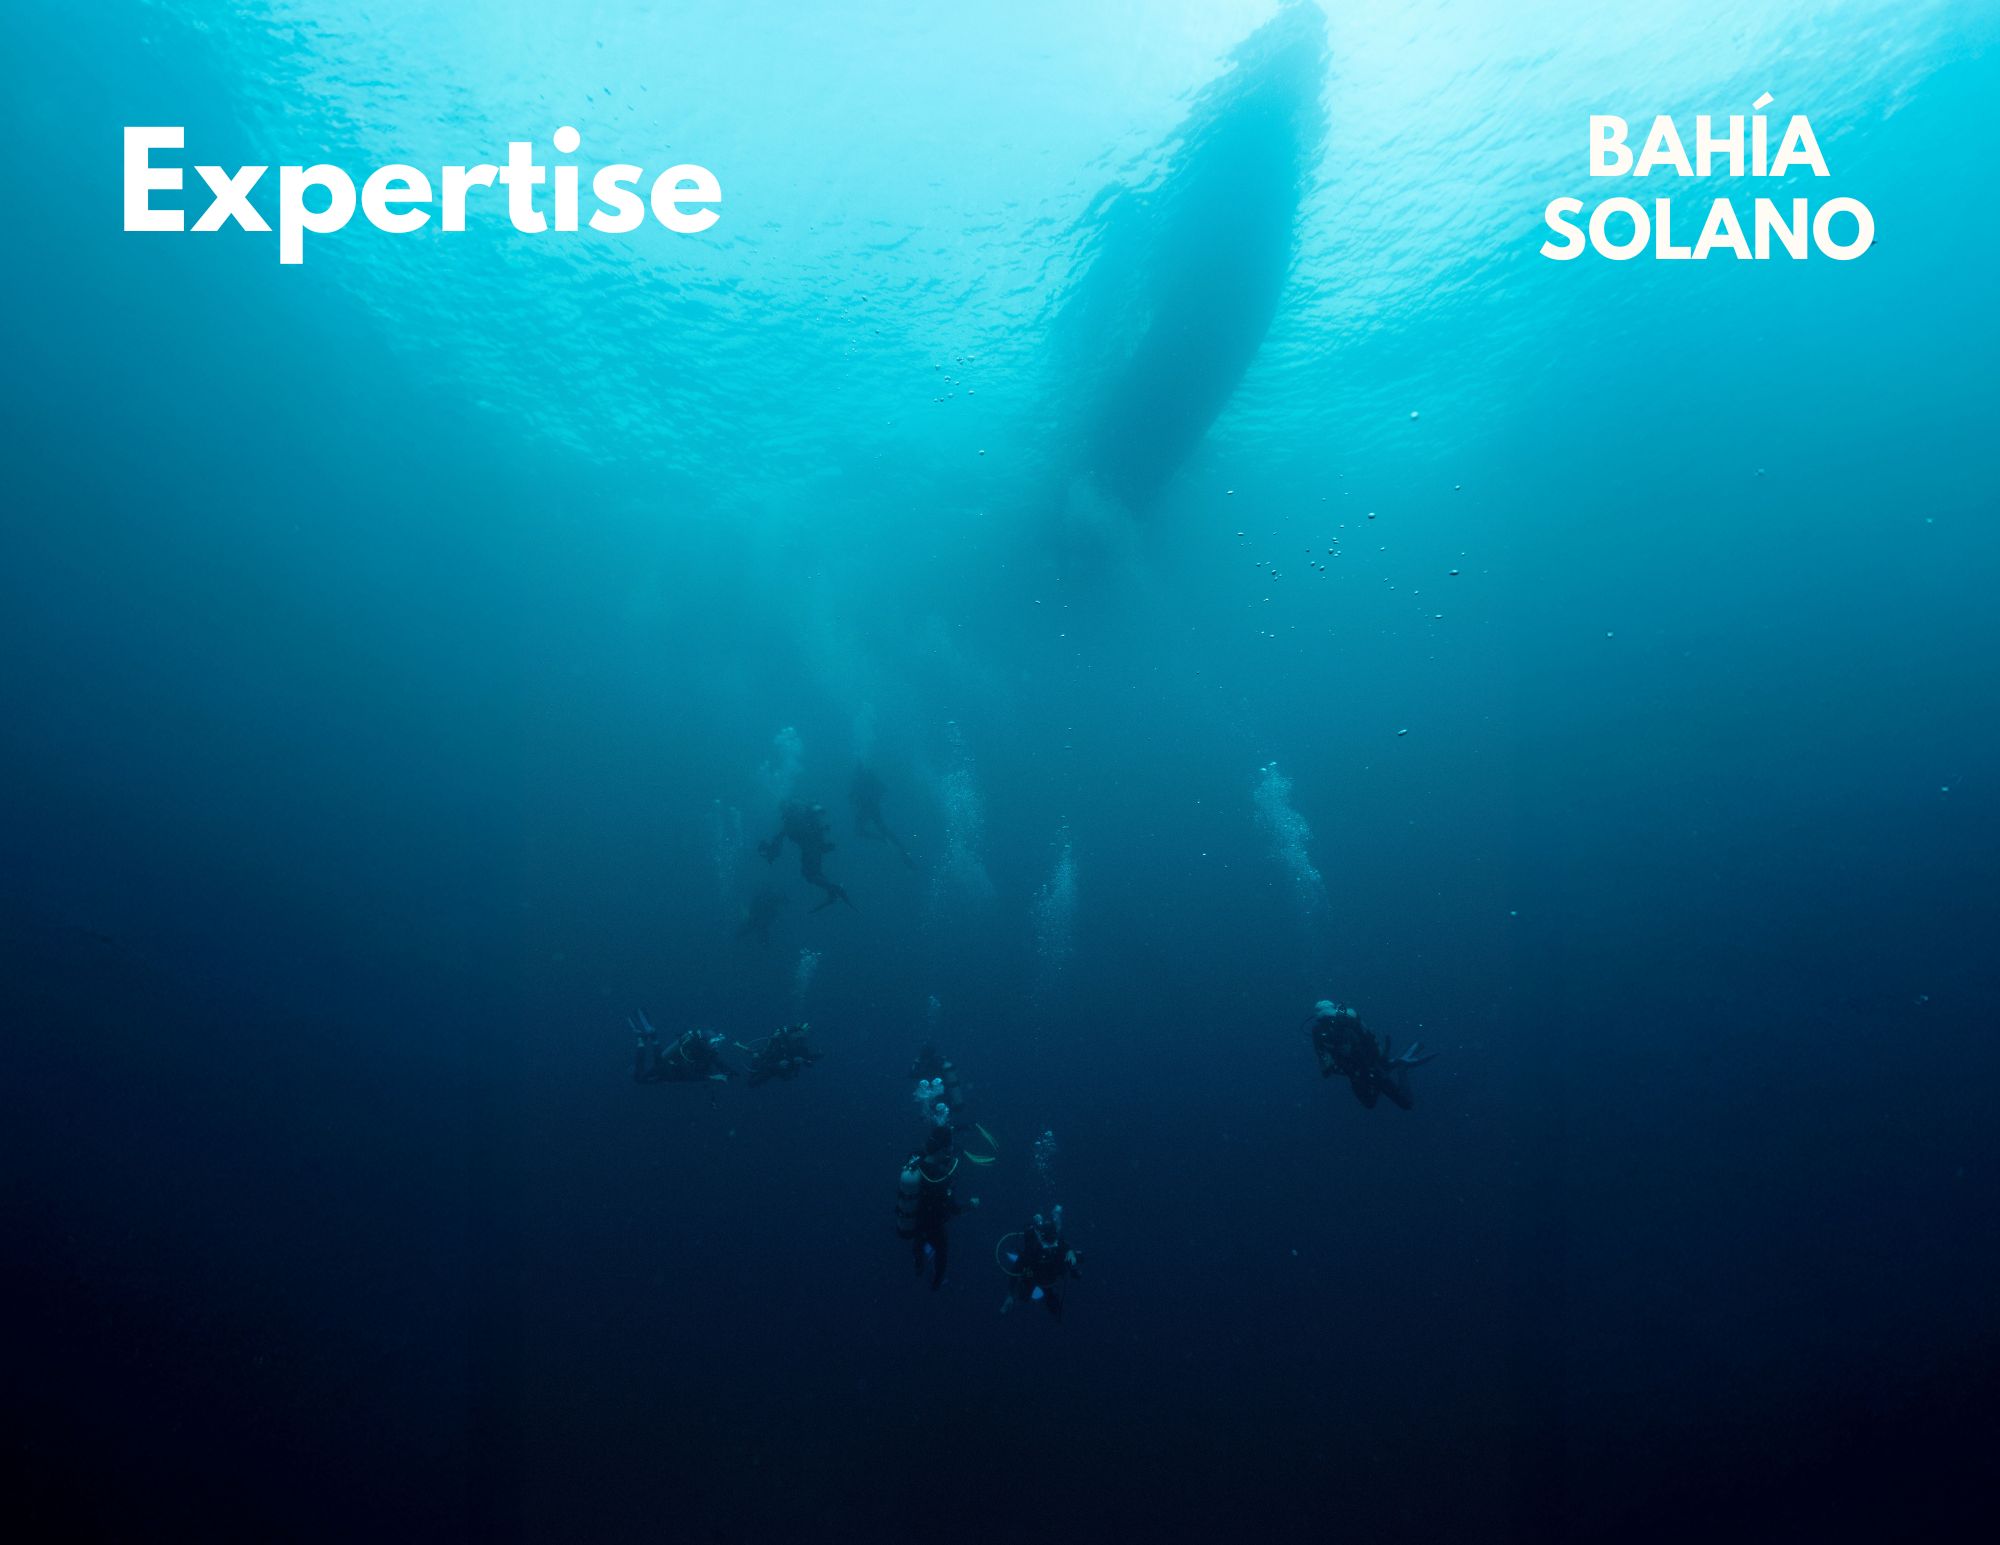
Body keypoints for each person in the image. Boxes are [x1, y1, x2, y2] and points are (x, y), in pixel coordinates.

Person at [1305, 999, 1436, 1110]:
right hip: (1359, 1071)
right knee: (1369, 1103)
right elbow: (1324, 1060)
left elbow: (1327, 1062)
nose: (1328, 1023)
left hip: (1370, 1068)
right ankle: (1393, 1064)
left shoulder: (1339, 1026)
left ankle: (1401, 1068)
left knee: (1406, 1104)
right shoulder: (1322, 1031)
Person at [895, 1122, 976, 1290]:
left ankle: (918, 1267)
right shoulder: (940, 1178)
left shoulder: (917, 1164)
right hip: (935, 1226)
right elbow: (954, 1209)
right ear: (943, 1149)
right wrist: (971, 1205)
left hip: (917, 1222)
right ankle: (936, 1283)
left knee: (918, 1244)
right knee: (941, 1252)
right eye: (948, 1147)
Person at [757, 800, 851, 911]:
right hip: (817, 848)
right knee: (816, 873)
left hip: (810, 849)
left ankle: (836, 889)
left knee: (809, 875)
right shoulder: (801, 817)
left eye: (782, 809)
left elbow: (779, 841)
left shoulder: (790, 821)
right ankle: (832, 893)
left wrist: (770, 851)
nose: (782, 812)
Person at [1001, 1205, 1082, 1320]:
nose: (1050, 1245)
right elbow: (1015, 1271)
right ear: (1040, 1238)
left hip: (1050, 1283)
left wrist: (1072, 1257)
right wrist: (1009, 1295)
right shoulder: (1031, 1249)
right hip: (1032, 1278)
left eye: (1053, 1240)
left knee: (1054, 1307)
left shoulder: (1061, 1246)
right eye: (1047, 1241)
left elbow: (1077, 1257)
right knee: (1023, 1296)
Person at [630, 1011, 741, 1084]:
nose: (716, 1045)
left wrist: (729, 1071)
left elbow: (717, 1061)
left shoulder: (706, 1049)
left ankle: (652, 1037)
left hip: (672, 1066)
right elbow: (688, 1074)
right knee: (640, 1079)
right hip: (671, 1066)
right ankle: (643, 1039)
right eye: (714, 1042)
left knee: (653, 1071)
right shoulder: (699, 1048)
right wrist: (712, 1077)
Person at [849, 766, 915, 868]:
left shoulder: (860, 780)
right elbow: (883, 789)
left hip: (866, 808)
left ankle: (884, 840)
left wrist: (861, 799)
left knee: (859, 831)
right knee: (881, 830)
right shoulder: (869, 779)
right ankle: (902, 853)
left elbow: (852, 797)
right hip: (872, 808)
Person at [746, 1022, 821, 1088]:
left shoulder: (801, 1046)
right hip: (771, 1067)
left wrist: (804, 1059)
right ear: (792, 1034)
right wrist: (777, 1065)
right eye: (798, 1035)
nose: (800, 1039)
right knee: (752, 1083)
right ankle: (754, 1057)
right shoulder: (778, 1043)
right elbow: (764, 1062)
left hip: (785, 1071)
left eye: (803, 1037)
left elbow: (809, 1061)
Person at [908, 1043, 969, 1123]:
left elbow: (914, 1075)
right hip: (945, 1095)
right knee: (944, 1115)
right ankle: (961, 1125)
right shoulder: (940, 1063)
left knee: (940, 1117)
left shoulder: (930, 1064)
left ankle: (954, 1127)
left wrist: (916, 1064)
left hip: (940, 1095)